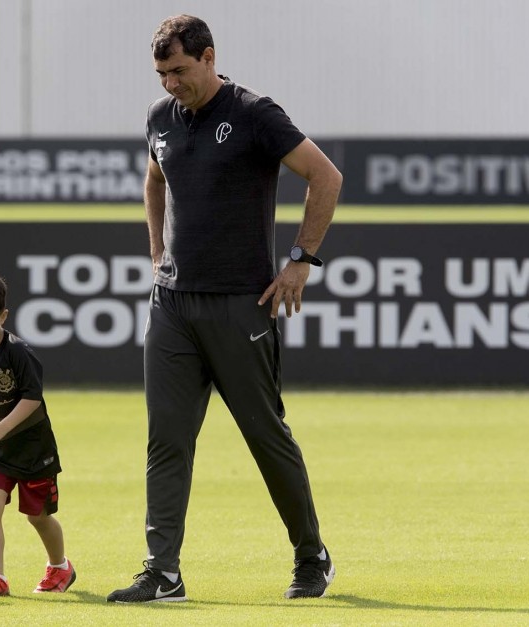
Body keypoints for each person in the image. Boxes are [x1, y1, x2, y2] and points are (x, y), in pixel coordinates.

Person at [107, 15, 342, 603]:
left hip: (241, 304)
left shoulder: (254, 113)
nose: (170, 84)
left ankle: (311, 555)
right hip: (172, 306)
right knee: (166, 440)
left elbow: (326, 176)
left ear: (210, 57)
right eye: (162, 73)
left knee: (265, 436)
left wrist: (300, 260)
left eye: (180, 70)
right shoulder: (160, 118)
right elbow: (154, 180)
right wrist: (156, 250)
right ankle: (163, 572)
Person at [0, 270, 76, 597]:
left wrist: (1, 428)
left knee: (38, 516)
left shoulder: (19, 352)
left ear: (3, 317)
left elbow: (32, 399)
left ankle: (60, 567)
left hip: (33, 450)